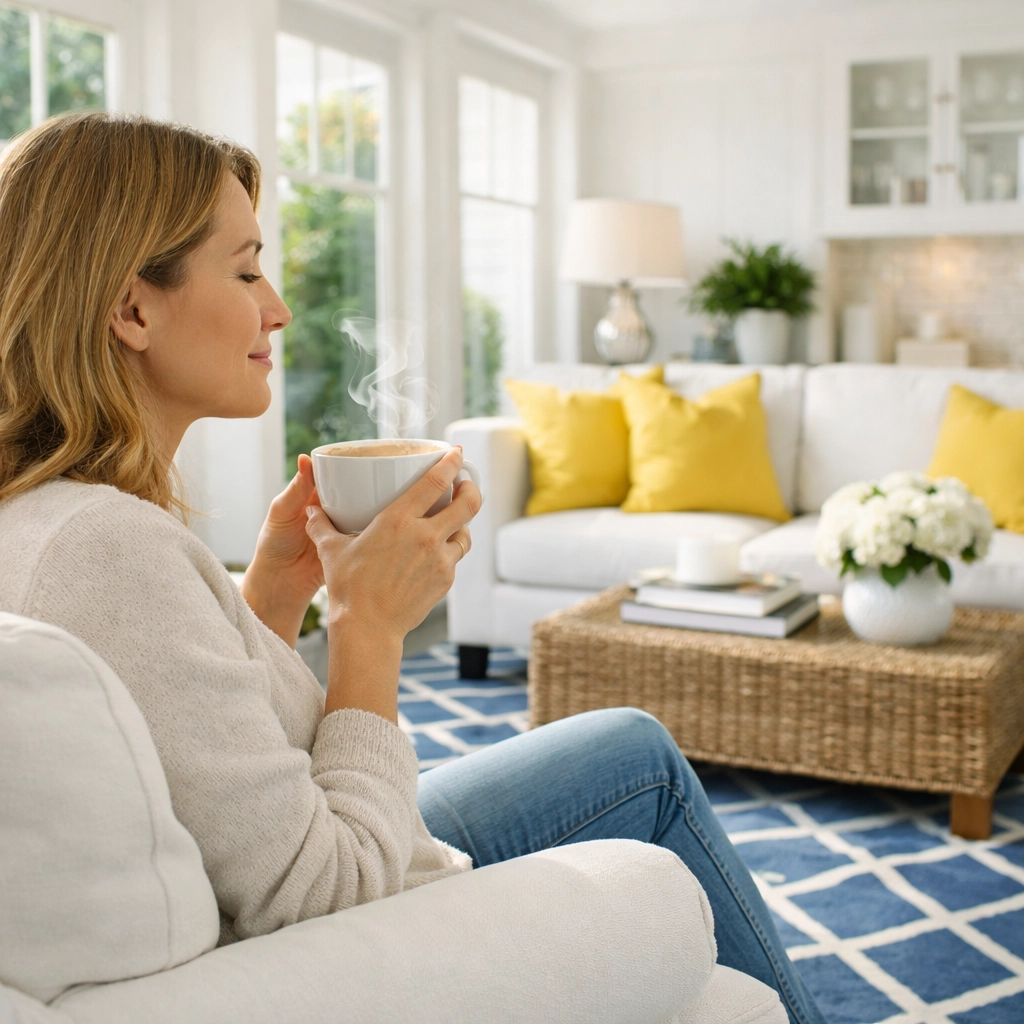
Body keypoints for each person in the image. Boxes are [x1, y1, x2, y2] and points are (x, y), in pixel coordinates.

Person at [0, 112, 824, 1024]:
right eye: (244, 270)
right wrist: (371, 631)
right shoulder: (108, 549)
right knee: (643, 764)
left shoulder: (50, 520)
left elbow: (187, 749)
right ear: (132, 309)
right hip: (363, 897)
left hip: (327, 839)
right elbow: (329, 895)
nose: (277, 308)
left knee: (628, 743)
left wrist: (273, 595)